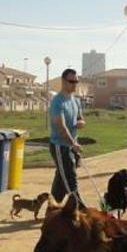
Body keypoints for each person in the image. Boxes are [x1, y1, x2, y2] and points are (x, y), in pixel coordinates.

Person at [49, 68, 85, 207]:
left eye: (76, 81)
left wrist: (81, 122)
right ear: (63, 81)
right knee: (70, 179)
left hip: (72, 145)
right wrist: (72, 144)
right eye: (71, 81)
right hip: (60, 145)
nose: (74, 84)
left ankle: (52, 206)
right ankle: (80, 208)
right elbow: (60, 126)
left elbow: (80, 118)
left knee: (61, 178)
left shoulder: (75, 101)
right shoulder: (57, 102)